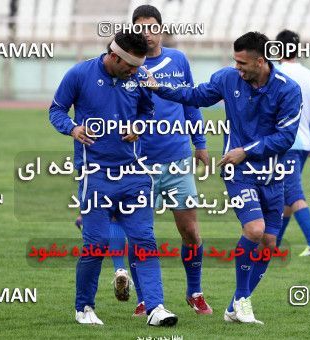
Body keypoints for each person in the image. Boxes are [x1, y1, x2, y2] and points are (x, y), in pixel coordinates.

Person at [143, 32, 302, 324]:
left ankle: (233, 308)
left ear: (261, 61)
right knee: (255, 230)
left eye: (242, 63)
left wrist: (248, 150)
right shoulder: (228, 79)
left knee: (269, 243)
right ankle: (243, 302)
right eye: (235, 61)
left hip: (273, 174)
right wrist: (160, 89)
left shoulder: (288, 90)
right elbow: (196, 95)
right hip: (237, 170)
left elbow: (285, 136)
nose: (237, 67)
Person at [49, 31, 177, 326]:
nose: (135, 72)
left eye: (138, 67)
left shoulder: (140, 76)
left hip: (134, 173)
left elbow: (148, 112)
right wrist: (72, 128)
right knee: (95, 244)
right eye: (130, 67)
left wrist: (139, 127)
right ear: (115, 56)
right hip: (95, 174)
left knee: (145, 240)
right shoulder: (79, 74)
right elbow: (56, 110)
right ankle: (84, 308)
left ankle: (156, 308)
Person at [124, 4, 212, 317]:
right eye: (139, 28)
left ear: (161, 29)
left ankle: (195, 292)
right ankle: (146, 299)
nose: (145, 33)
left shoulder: (178, 59)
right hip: (138, 163)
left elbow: (190, 102)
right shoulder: (126, 64)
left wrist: (199, 142)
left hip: (177, 159)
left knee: (190, 231)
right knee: (140, 234)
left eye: (151, 27)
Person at [274, 29, 310, 256]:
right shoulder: (309, 75)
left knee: (293, 194)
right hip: (304, 143)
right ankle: (274, 245)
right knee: (286, 195)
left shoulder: (275, 73)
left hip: (285, 143)